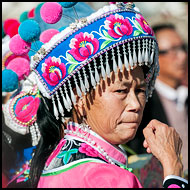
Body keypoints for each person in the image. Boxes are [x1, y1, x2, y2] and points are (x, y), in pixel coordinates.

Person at [7, 2, 188, 188]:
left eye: (140, 90)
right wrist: (173, 169)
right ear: (79, 98)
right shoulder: (106, 178)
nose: (135, 104)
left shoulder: (43, 168)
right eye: (121, 91)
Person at [128, 23, 188, 177]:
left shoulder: (184, 96)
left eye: (183, 48)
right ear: (154, 55)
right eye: (172, 50)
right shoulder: (143, 103)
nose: (182, 56)